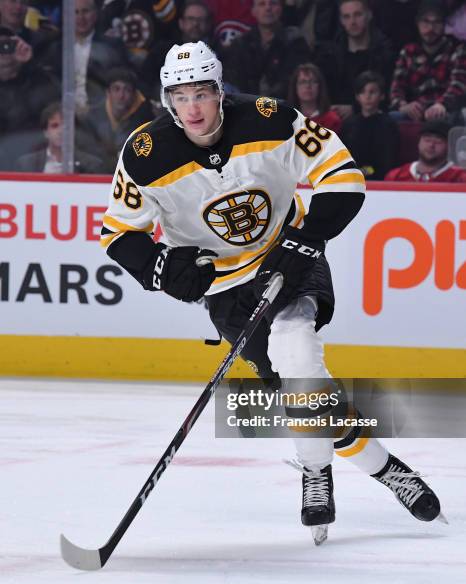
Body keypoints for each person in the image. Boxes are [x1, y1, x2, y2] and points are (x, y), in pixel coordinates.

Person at [100, 41, 443, 538]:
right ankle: (387, 470)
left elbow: (342, 176)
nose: (192, 107)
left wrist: (305, 239)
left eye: (202, 93)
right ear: (166, 101)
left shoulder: (270, 120)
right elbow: (118, 233)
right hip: (224, 288)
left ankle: (315, 471)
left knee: (297, 353)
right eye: (180, 96)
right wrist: (163, 269)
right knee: (296, 388)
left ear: (220, 92)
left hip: (290, 258)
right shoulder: (145, 153)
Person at [42, 0, 128, 118]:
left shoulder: (112, 47)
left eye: (85, 11)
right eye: (75, 12)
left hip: (103, 115)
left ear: (95, 14)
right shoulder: (54, 49)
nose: (80, 17)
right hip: (62, 116)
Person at [315, 0, 394, 121]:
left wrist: (355, 108)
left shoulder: (384, 53)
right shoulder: (330, 55)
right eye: (346, 17)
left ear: (369, 15)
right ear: (341, 21)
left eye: (358, 15)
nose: (352, 22)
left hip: (373, 119)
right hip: (334, 119)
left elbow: (386, 94)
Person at [389, 0, 466, 123]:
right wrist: (403, 105)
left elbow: (459, 85)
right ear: (417, 23)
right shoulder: (408, 51)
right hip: (415, 111)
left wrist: (442, 105)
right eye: (426, 21)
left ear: (444, 25)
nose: (431, 28)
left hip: (445, 110)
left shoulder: (457, 49)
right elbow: (397, 88)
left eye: (437, 22)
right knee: (391, 118)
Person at [222, 0, 312, 99]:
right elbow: (234, 79)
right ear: (253, 11)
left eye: (273, 3)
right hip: (247, 107)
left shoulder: (295, 41)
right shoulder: (240, 44)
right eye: (262, 4)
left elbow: (294, 79)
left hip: (285, 106)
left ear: (281, 9)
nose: (268, 8)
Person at [0, 27, 60, 170]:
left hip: (32, 154)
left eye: (9, 45)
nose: (4, 51)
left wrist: (30, 64)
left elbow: (52, 108)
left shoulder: (37, 78)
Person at [81, 68, 154, 172]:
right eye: (116, 89)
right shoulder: (91, 117)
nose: (121, 96)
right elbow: (88, 152)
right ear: (108, 92)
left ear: (134, 95)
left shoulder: (145, 120)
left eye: (127, 90)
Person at [15, 101, 105, 174]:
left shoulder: (92, 165)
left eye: (67, 126)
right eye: (54, 126)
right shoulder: (26, 164)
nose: (61, 131)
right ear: (46, 132)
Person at [340, 71, 399, 180]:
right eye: (362, 92)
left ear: (382, 96)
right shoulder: (349, 124)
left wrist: (365, 172)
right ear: (357, 97)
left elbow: (387, 159)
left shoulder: (387, 125)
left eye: (372, 92)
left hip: (379, 179)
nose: (367, 96)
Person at [385, 119, 466, 182]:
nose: (431, 145)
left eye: (438, 141)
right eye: (427, 140)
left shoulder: (460, 177)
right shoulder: (396, 175)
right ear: (419, 142)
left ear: (449, 146)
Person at [287, 62, 342, 133]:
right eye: (303, 82)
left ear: (320, 87)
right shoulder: (287, 120)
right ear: (295, 88)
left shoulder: (332, 120)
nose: (308, 86)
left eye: (313, 81)